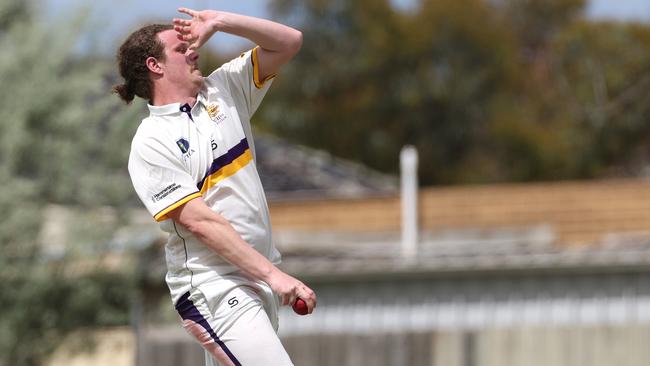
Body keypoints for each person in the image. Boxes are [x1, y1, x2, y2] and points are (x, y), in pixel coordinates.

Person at [113, 7, 316, 366]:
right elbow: (200, 223)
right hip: (214, 288)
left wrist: (221, 22)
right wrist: (275, 276)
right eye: (182, 48)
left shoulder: (224, 89)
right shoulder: (151, 142)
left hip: (255, 280)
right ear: (154, 65)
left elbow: (289, 41)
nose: (195, 49)